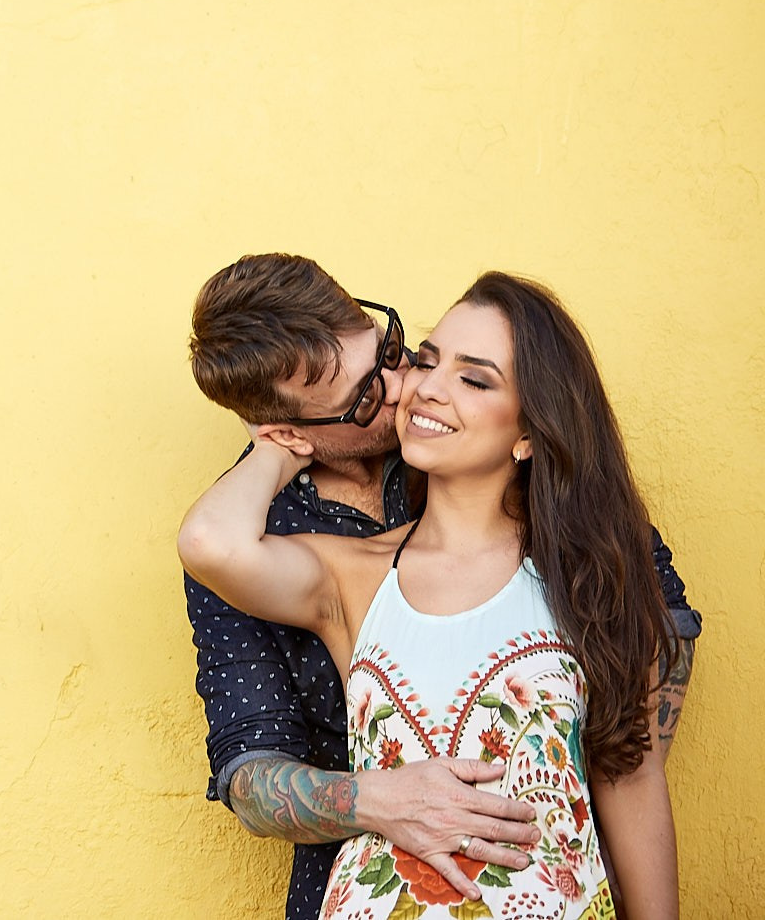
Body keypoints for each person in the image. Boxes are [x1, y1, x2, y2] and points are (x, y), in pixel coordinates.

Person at [181, 256, 698, 919]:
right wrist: (278, 448)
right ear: (296, 428)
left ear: (531, 430)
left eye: (403, 353)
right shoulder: (328, 561)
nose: (407, 387)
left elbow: (629, 759)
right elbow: (249, 767)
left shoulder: (586, 557)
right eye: (368, 393)